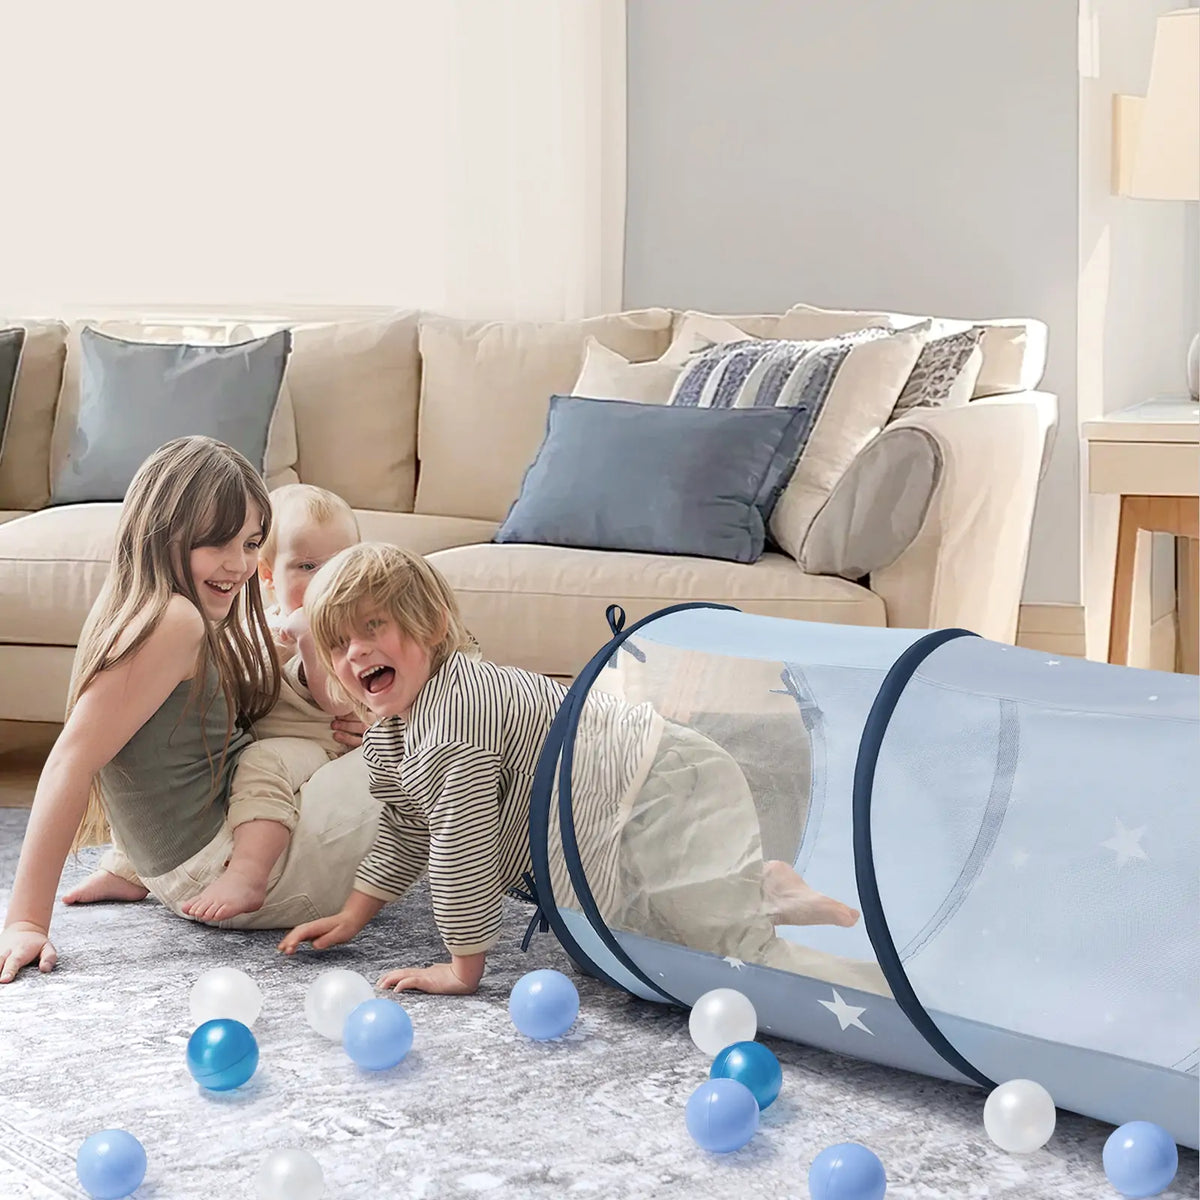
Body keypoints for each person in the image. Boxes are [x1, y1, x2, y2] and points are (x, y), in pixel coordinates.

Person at [278, 543, 887, 998]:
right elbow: (408, 829)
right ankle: (759, 886)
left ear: (432, 628)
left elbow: (460, 847)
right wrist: (355, 912)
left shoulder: (453, 723)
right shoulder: (395, 732)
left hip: (663, 787)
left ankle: (889, 998)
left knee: (734, 956)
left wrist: (462, 967)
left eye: (373, 627)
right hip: (631, 798)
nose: (355, 651)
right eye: (338, 643)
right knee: (649, 929)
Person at [0, 437, 379, 984]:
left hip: (184, 867)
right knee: (438, 741)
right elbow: (70, 761)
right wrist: (26, 921)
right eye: (217, 543)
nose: (240, 565)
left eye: (251, 543)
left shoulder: (131, 602)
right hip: (232, 870)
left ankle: (133, 870)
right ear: (162, 533)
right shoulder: (175, 622)